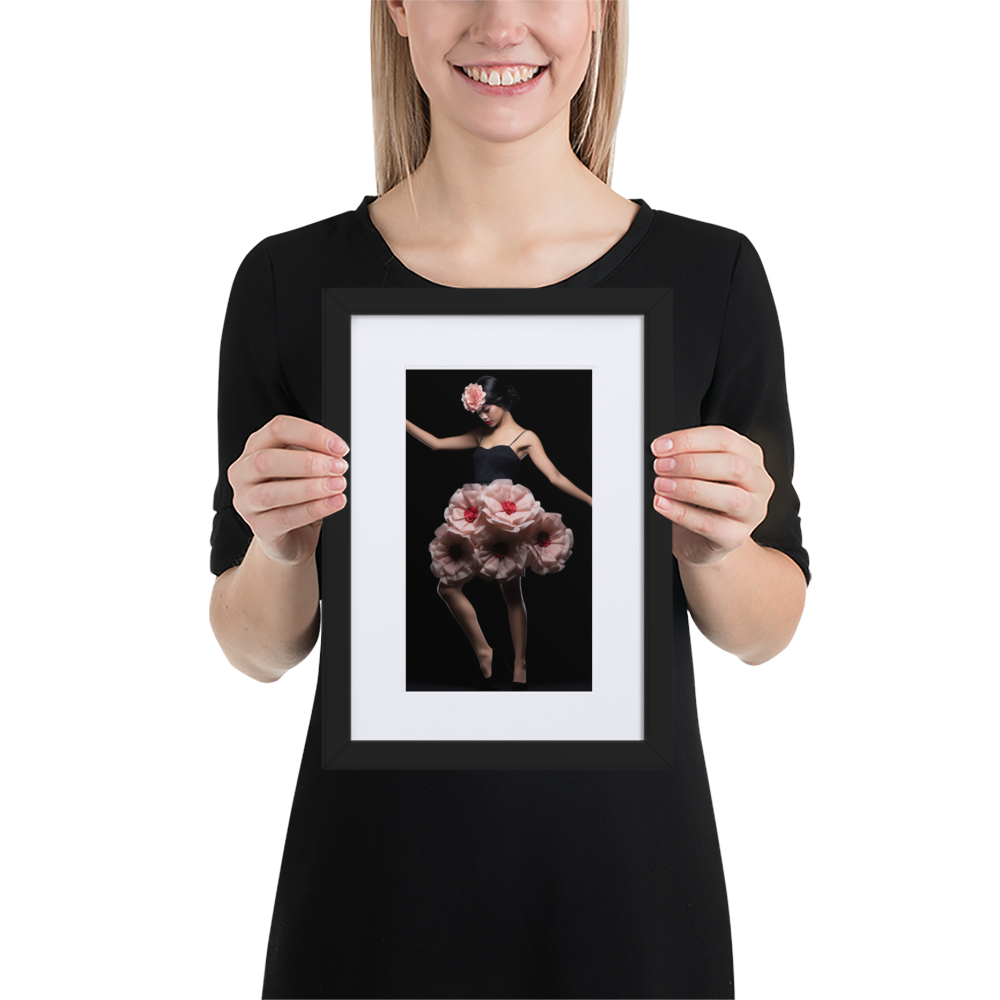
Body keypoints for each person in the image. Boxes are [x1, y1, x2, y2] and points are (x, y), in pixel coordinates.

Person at [208, 1, 810, 996]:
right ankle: (500, 651)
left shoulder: (714, 273)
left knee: (517, 592)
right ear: (397, 10)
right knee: (475, 589)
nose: (500, 20)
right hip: (369, 911)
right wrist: (279, 547)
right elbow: (255, 650)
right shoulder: (285, 281)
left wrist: (715, 550)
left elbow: (764, 632)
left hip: (630, 911)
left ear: (603, 14)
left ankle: (512, 652)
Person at [408, 374, 591, 690]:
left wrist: (592, 500)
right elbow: (437, 444)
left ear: (502, 402)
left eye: (487, 409)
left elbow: (555, 476)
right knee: (447, 587)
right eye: (479, 412)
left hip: (507, 516)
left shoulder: (526, 436)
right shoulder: (479, 434)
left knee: (512, 595)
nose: (484, 416)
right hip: (475, 514)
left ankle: (520, 665)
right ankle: (484, 650)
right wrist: (400, 419)